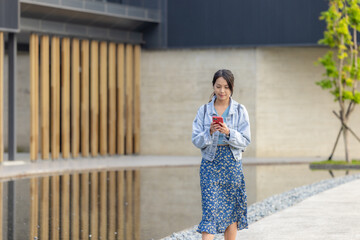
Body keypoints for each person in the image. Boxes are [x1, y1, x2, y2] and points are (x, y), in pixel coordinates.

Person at [192, 69, 251, 240]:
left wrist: (228, 132)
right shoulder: (203, 111)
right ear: (213, 86)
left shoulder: (240, 110)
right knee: (210, 211)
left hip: (232, 164)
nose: (222, 91)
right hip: (210, 163)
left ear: (232, 88)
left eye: (226, 87)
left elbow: (246, 140)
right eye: (218, 86)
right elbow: (196, 140)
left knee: (231, 212)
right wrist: (209, 132)